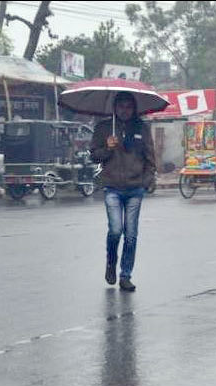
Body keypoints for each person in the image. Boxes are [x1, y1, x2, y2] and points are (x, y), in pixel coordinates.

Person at [90, 92, 157, 292]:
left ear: (134, 108)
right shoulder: (103, 128)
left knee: (131, 235)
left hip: (135, 188)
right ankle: (111, 262)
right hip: (112, 187)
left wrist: (145, 181)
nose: (124, 110)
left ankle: (125, 275)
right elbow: (94, 156)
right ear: (115, 107)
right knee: (116, 230)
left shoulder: (142, 129)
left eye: (129, 107)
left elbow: (150, 158)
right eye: (121, 106)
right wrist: (108, 148)